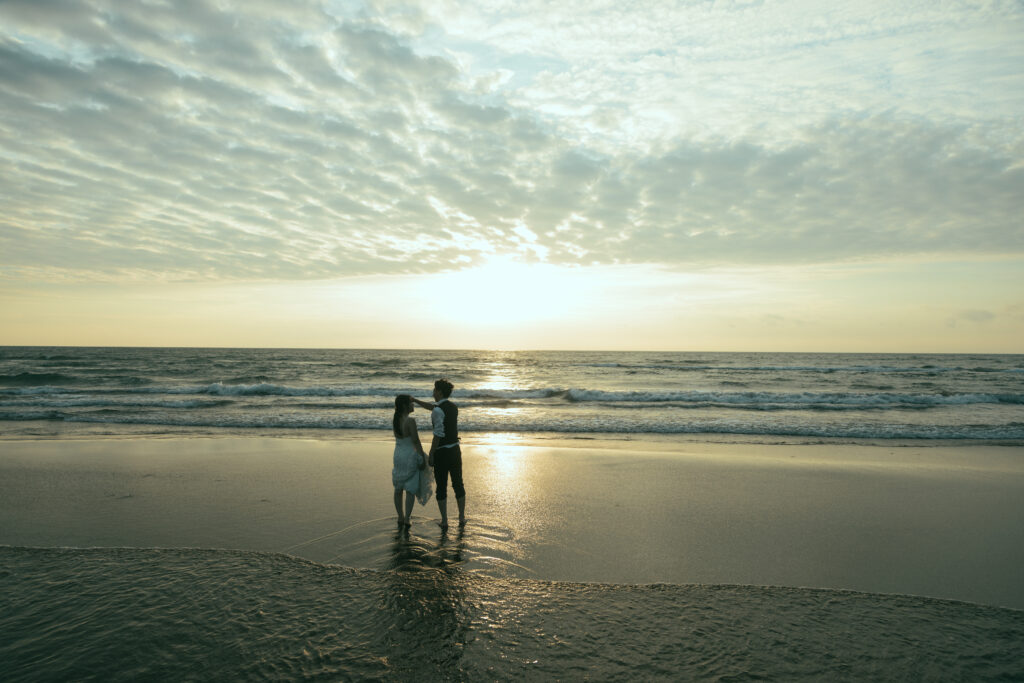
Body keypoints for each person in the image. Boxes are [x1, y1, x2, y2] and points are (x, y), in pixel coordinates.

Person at [412, 378, 465, 530]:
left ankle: (444, 521)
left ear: (439, 392)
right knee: (458, 483)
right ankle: (461, 518)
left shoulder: (437, 411)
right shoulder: (453, 407)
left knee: (441, 486)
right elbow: (434, 408)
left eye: (434, 390)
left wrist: (432, 453)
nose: (433, 392)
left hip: (442, 453)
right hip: (455, 450)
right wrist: (416, 400)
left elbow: (438, 434)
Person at [391, 394, 431, 529]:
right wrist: (422, 458)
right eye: (411, 403)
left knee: (398, 488)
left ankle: (400, 517)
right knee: (410, 489)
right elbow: (416, 441)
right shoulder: (410, 421)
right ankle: (407, 518)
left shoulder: (395, 420)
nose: (413, 405)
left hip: (398, 455)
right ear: (405, 406)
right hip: (409, 455)